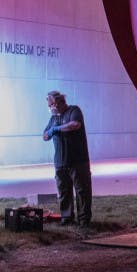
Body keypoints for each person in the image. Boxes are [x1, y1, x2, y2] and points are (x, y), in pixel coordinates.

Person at [43, 90, 92, 227]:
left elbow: (75, 125)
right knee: (64, 191)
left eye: (51, 104)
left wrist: (57, 129)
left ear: (59, 102)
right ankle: (67, 218)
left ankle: (84, 220)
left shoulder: (74, 111)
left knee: (82, 191)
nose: (50, 108)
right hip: (60, 162)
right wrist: (51, 130)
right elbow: (45, 136)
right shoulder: (53, 118)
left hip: (78, 161)